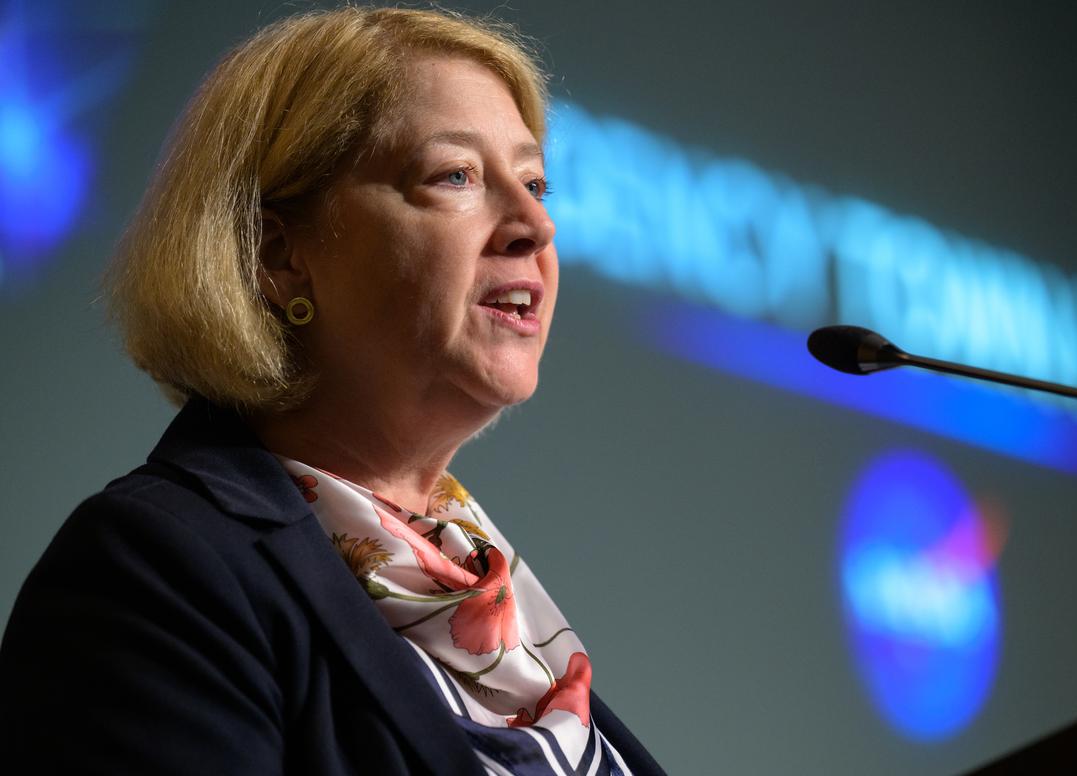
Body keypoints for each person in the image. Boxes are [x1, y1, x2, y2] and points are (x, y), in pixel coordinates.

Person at [0, 7, 664, 775]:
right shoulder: (155, 574)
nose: (533, 227)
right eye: (455, 176)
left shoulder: (491, 599)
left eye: (535, 182)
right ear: (281, 255)